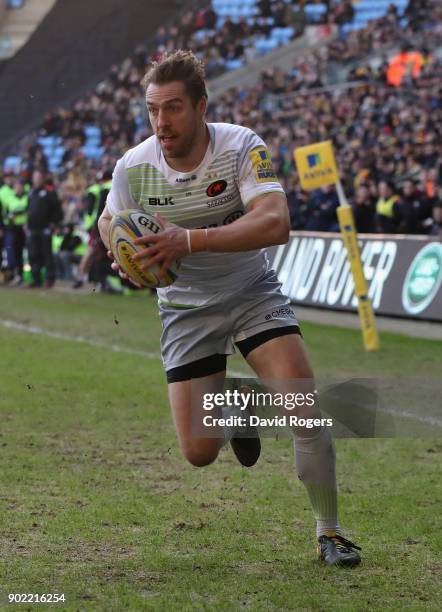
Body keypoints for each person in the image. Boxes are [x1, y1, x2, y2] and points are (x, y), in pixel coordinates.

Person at [98, 50, 361, 567]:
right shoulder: (133, 165)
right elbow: (111, 221)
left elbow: (275, 223)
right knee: (198, 453)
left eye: (173, 108)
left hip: (250, 292)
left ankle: (329, 533)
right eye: (153, 109)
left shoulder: (241, 146)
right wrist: (124, 257)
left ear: (200, 107)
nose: (161, 122)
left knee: (302, 410)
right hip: (185, 309)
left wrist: (188, 240)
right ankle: (238, 407)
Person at [26, 170, 62, 288]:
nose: (37, 179)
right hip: (32, 228)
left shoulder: (49, 192)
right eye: (35, 177)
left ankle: (50, 279)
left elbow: (57, 210)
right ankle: (36, 279)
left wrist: (54, 224)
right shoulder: (31, 193)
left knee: (47, 254)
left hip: (45, 229)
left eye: (39, 177)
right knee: (33, 254)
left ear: (43, 179)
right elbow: (29, 210)